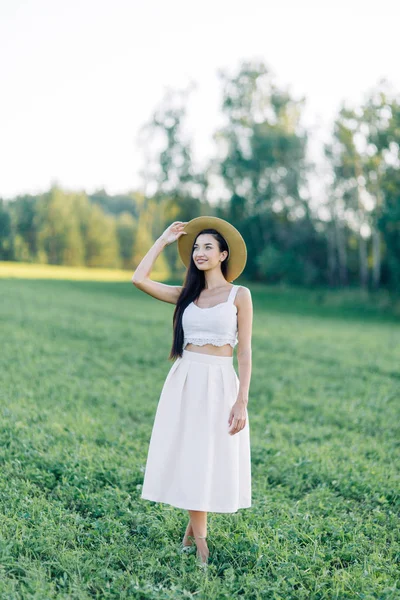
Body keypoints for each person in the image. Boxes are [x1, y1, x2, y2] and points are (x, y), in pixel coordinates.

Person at [132, 216, 253, 568]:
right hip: (185, 380)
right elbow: (138, 279)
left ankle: (191, 533)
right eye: (196, 248)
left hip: (220, 383)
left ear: (223, 254)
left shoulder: (239, 295)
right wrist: (163, 240)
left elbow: (244, 351)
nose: (200, 253)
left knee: (208, 458)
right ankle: (201, 544)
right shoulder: (187, 295)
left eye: (208, 248)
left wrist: (241, 400)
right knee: (192, 455)